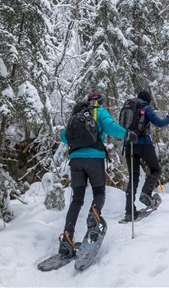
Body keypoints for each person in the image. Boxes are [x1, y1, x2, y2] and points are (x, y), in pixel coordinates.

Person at [58, 92, 138, 258]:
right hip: (94, 158)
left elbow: (64, 136)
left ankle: (66, 240)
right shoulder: (99, 112)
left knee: (77, 199)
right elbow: (111, 127)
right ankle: (94, 217)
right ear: (100, 102)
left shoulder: (76, 115)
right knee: (99, 192)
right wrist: (127, 134)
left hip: (75, 160)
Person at [123, 90, 169, 221]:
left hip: (128, 144)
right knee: (156, 169)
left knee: (133, 178)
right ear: (148, 99)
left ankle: (129, 212)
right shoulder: (145, 107)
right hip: (144, 144)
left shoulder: (128, 107)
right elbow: (159, 123)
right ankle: (146, 193)